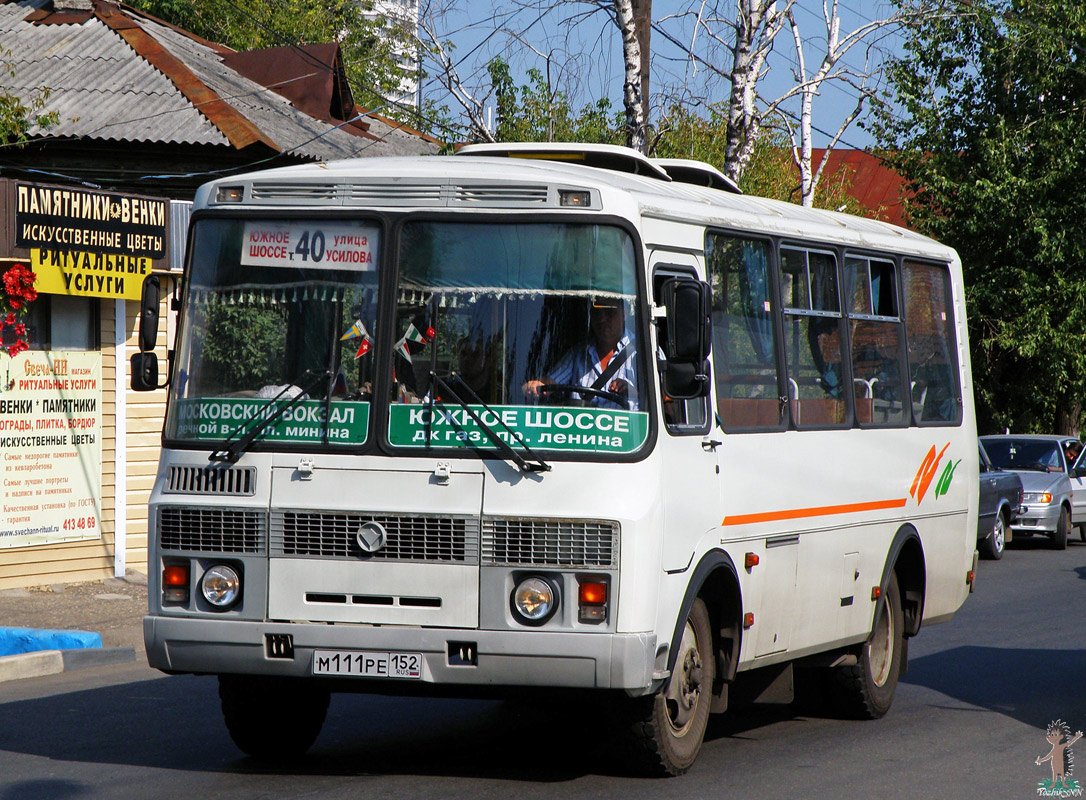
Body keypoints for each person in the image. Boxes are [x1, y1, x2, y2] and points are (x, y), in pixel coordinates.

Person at [523, 295, 639, 410]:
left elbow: (656, 398)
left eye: (609, 312)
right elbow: (551, 383)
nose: (602, 319)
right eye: (596, 313)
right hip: (581, 427)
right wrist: (536, 385)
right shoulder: (578, 354)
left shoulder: (642, 352)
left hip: (629, 428)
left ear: (624, 313)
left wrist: (633, 393)